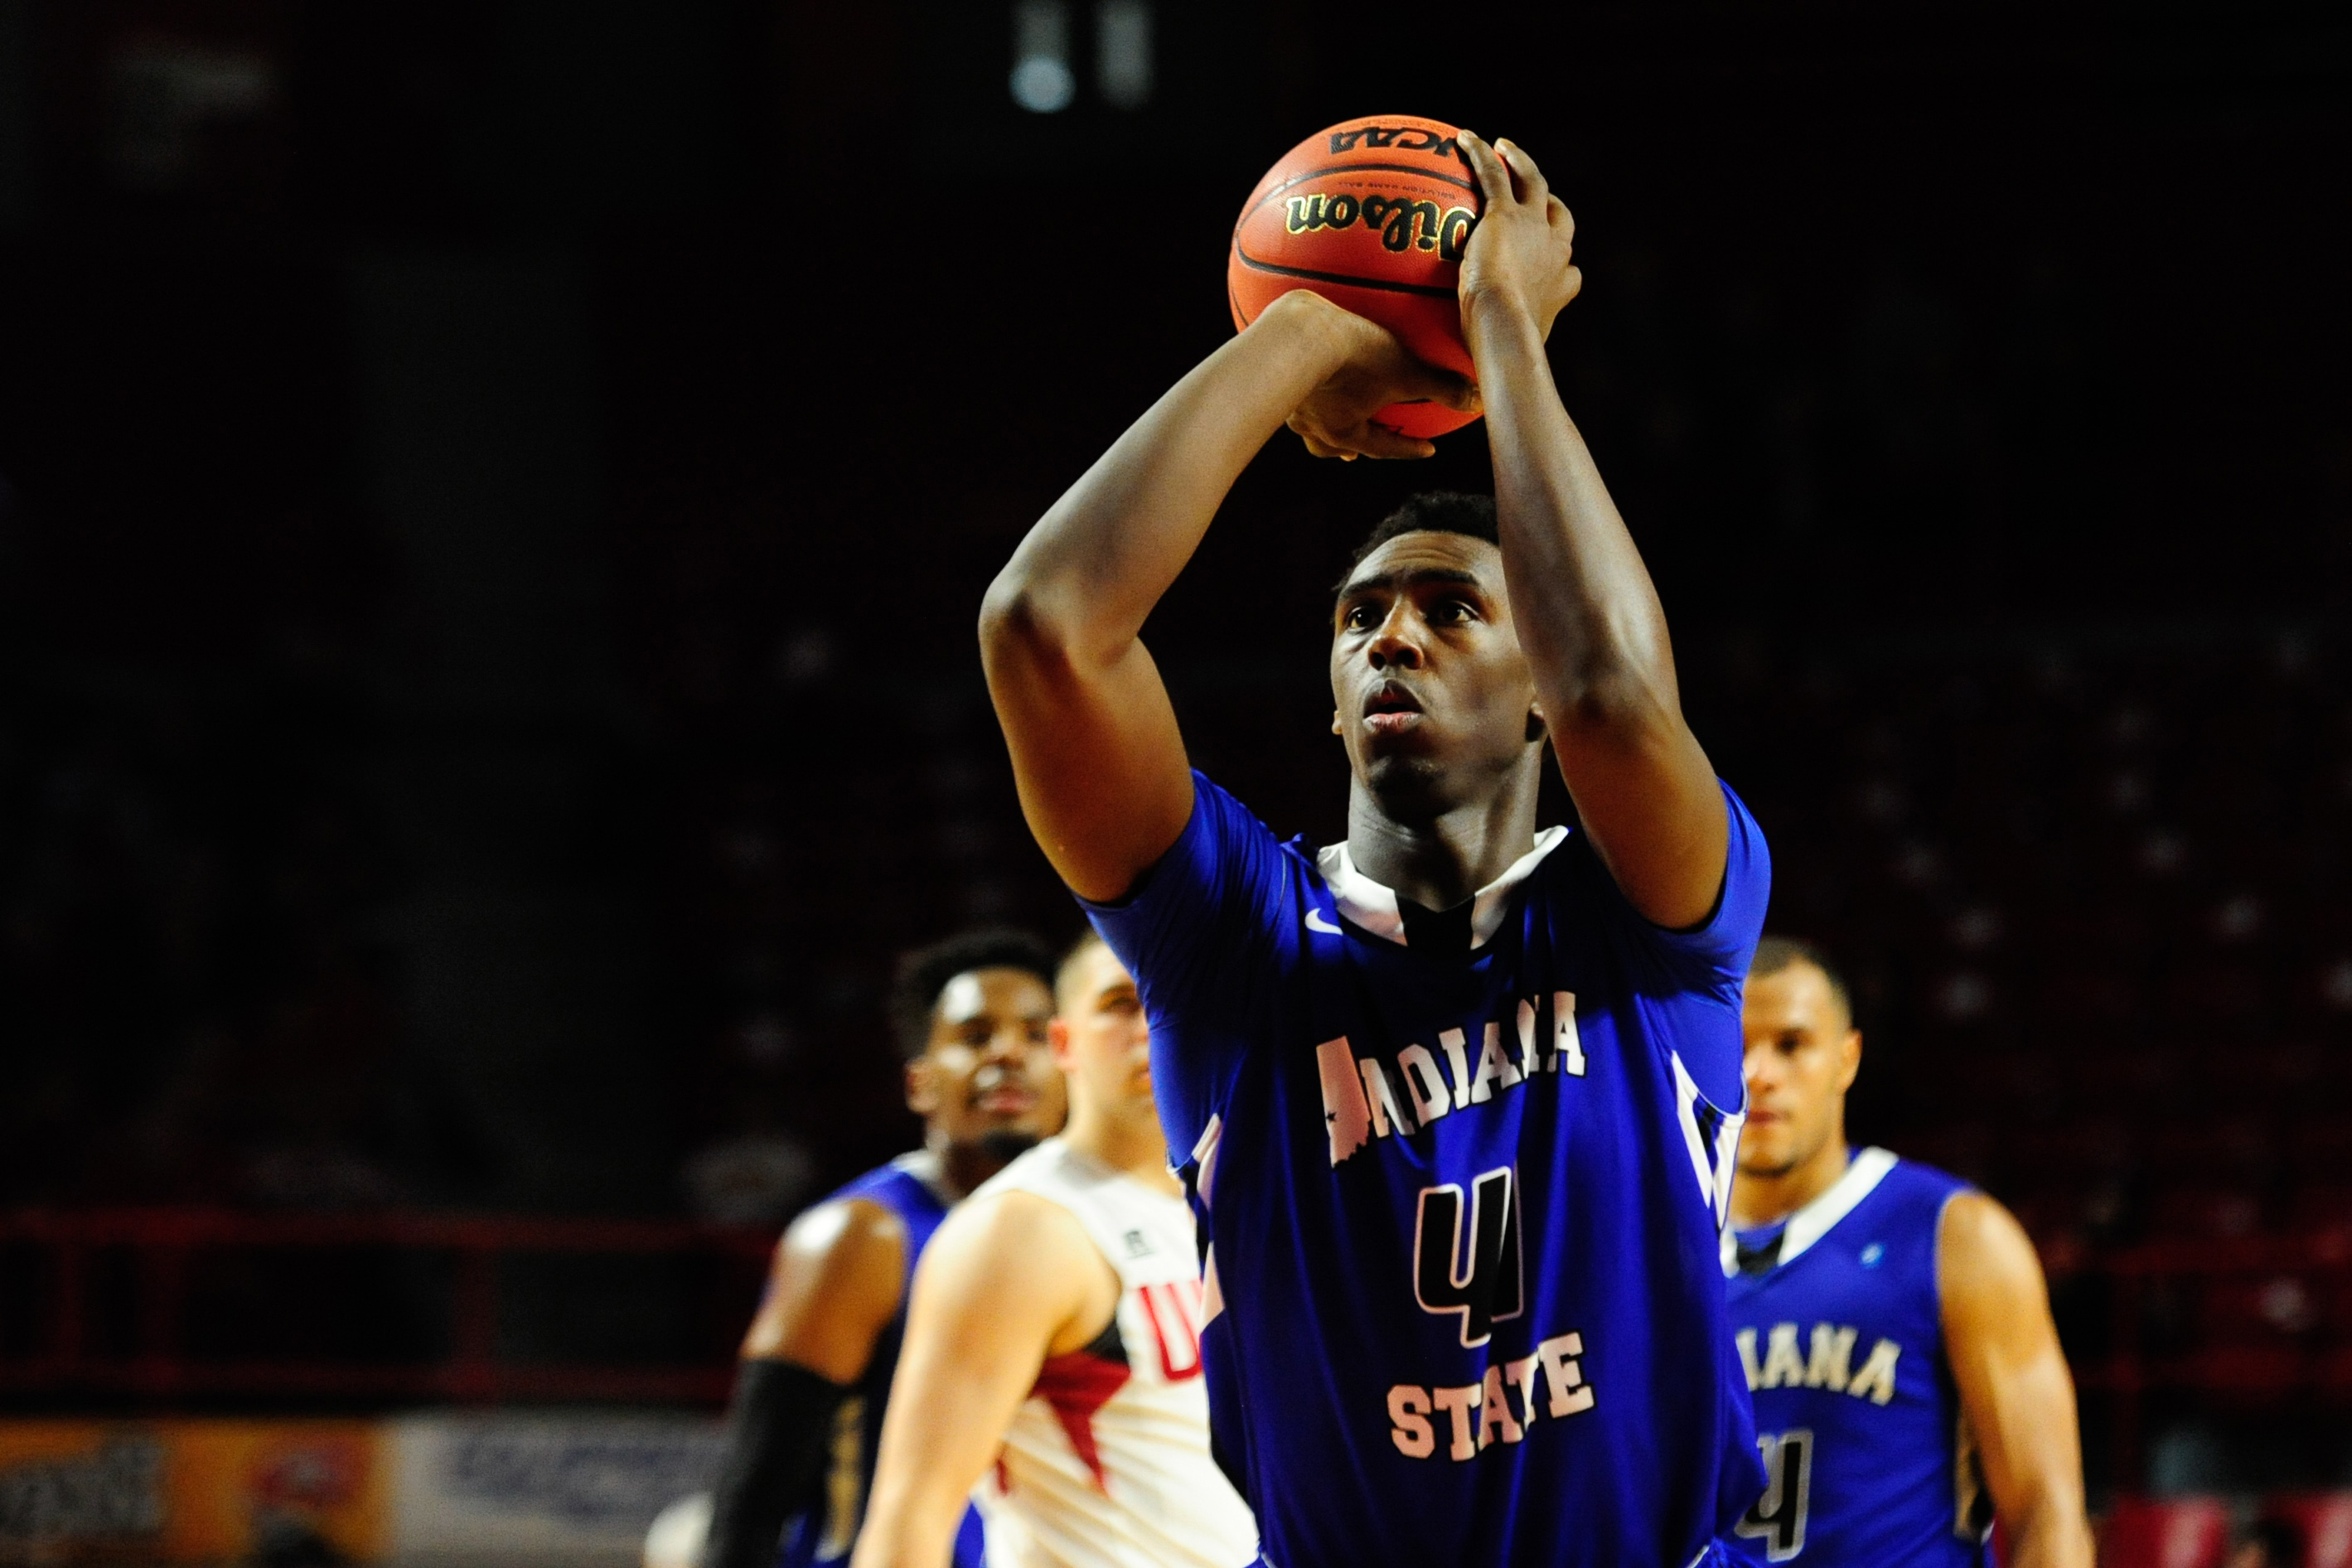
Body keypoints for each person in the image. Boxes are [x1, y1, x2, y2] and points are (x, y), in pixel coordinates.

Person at [979, 128, 1767, 1566]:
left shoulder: (1653, 928)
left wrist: (1501, 329)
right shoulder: (1238, 942)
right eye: (1357, 619)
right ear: (1332, 705)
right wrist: (1308, 324)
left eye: (1451, 611)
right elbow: (1044, 626)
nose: (1390, 633)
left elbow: (1612, 692)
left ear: (1531, 696)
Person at [851, 932, 1256, 1568]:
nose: (1152, 1023)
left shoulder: (1241, 1202)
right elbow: (912, 1516)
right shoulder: (1021, 1228)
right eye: (1121, 1004)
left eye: (1171, 999)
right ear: (1064, 1042)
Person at [689, 930, 1069, 1568]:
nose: (1008, 1052)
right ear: (920, 1084)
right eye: (976, 1037)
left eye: (1036, 1035)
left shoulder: (1094, 1227)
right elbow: (752, 1500)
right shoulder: (859, 1238)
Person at [1725, 937, 2093, 1568]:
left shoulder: (1957, 1235)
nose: (1759, 1072)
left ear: (1847, 1058)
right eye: (1735, 1048)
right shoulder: (1654, 1256)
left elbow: (2046, 1508)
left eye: (1791, 1045)